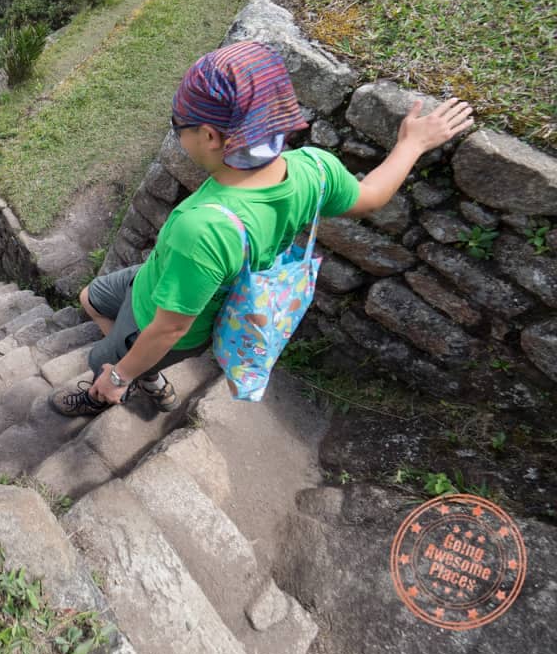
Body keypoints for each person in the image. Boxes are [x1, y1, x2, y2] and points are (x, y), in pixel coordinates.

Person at [51, 41, 473, 417]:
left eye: (180, 127)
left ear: (211, 136)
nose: (178, 135)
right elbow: (372, 197)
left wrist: (119, 375)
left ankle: (112, 390)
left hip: (159, 322)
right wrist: (410, 145)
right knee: (92, 297)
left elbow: (171, 328)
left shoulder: (202, 229)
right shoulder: (314, 169)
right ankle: (147, 376)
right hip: (160, 285)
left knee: (102, 364)